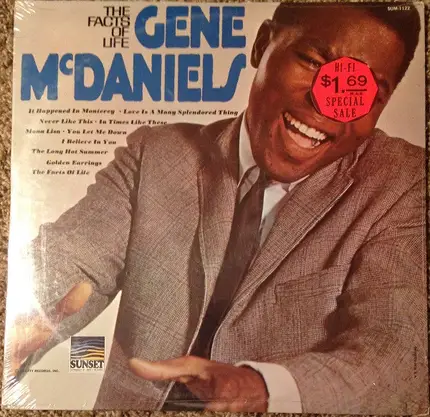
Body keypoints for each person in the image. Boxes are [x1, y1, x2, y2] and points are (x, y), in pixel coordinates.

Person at [6, 2, 426, 414]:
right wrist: (17, 324)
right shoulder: (156, 155)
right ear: (262, 44)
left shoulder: (402, 183)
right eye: (314, 62)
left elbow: (394, 349)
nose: (328, 103)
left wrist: (260, 389)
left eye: (365, 90)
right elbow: (70, 261)